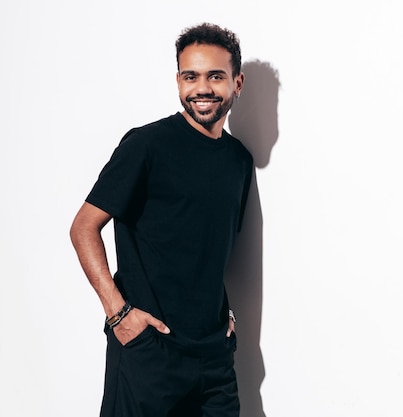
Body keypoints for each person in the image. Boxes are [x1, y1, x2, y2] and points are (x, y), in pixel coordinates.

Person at [69, 22, 252, 417]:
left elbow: (208, 250)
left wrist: (227, 315)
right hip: (149, 352)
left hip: (214, 357)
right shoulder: (147, 145)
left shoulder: (239, 161)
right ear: (178, 82)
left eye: (215, 76)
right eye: (191, 76)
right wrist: (118, 315)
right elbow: (83, 226)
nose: (202, 87)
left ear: (237, 83)